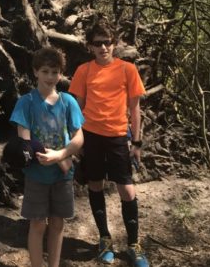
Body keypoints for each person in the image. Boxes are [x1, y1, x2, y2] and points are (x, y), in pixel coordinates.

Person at [68, 21, 149, 266]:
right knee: (95, 185)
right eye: (97, 43)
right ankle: (104, 239)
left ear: (114, 44)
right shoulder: (83, 70)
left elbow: (135, 110)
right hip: (91, 136)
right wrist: (77, 140)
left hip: (117, 137)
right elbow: (78, 108)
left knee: (127, 189)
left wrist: (136, 143)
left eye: (107, 42)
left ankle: (134, 244)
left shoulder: (127, 69)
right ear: (90, 47)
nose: (103, 47)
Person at [10, 47, 84, 267]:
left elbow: (78, 137)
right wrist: (37, 154)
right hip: (36, 175)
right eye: (45, 71)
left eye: (54, 72)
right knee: (38, 224)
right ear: (35, 72)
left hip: (62, 175)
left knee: (58, 223)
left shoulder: (68, 102)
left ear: (60, 74)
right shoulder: (26, 102)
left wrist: (61, 154)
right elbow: (24, 138)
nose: (50, 77)